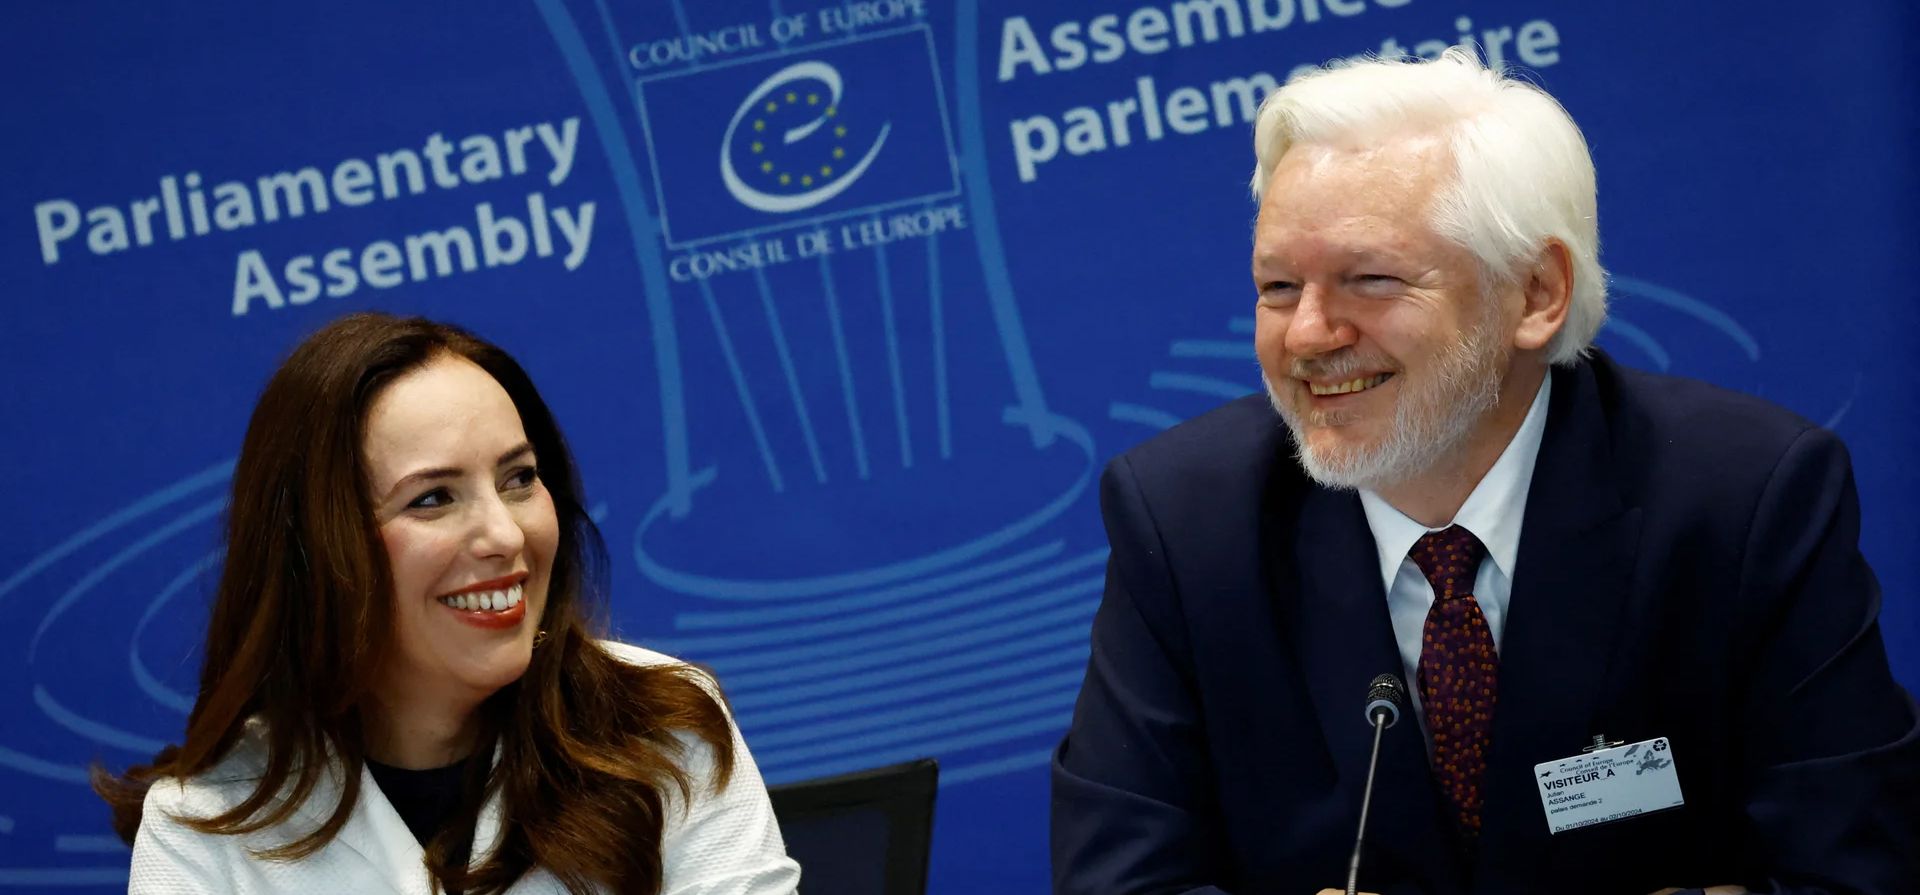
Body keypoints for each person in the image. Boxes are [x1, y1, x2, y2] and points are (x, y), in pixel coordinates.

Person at [1051, 48, 1920, 895]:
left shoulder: (1746, 498)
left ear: (1536, 294)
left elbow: (1854, 868)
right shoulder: (1186, 522)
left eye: (1370, 279)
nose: (1308, 334)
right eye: (1278, 287)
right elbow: (1117, 876)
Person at [93, 313, 800, 894]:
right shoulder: (204, 821)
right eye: (433, 497)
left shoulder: (666, 729)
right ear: (317, 551)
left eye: (519, 478)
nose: (505, 535)